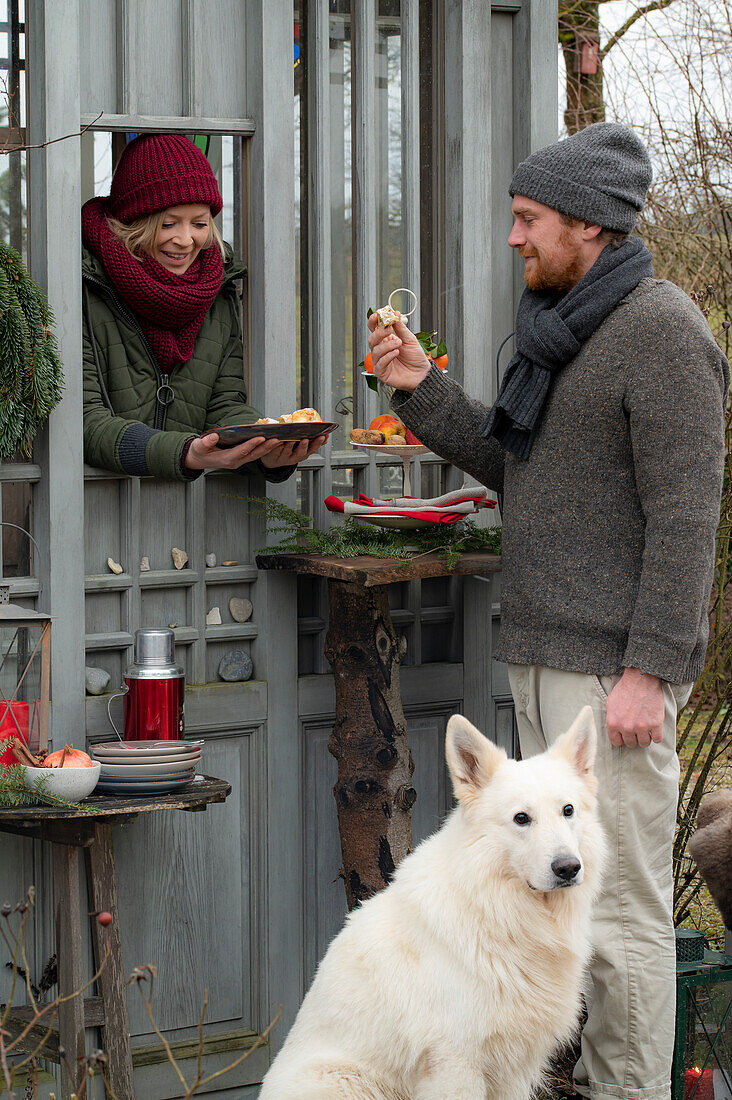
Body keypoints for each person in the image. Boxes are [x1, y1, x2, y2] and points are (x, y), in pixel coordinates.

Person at [368, 122, 729, 1100]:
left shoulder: (663, 333)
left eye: (528, 220)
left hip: (614, 678)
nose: (516, 237)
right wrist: (421, 391)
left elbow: (688, 514)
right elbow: (519, 466)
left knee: (620, 922)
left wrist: (651, 669)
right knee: (564, 914)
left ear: (587, 225)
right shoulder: (561, 335)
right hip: (542, 660)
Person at [82, 133, 326, 480]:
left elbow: (223, 406)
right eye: (167, 224)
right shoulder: (87, 286)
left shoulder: (218, 287)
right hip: (93, 508)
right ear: (135, 222)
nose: (186, 240)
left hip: (192, 516)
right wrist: (184, 453)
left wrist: (267, 455)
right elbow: (85, 422)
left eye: (199, 223)